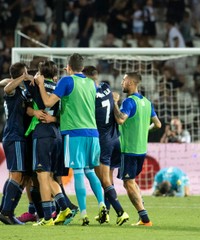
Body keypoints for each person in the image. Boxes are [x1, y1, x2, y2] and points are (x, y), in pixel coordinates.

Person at [34, 53, 106, 226]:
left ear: (69, 67)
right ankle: (102, 204)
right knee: (90, 170)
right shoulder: (91, 83)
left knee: (79, 172)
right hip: (93, 133)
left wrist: (41, 85)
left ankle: (83, 214)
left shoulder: (67, 81)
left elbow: (48, 102)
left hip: (75, 133)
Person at [25, 60, 74, 226]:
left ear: (40, 72)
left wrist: (32, 78)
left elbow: (16, 95)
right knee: (51, 176)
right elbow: (67, 113)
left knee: (42, 175)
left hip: (43, 133)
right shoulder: (60, 88)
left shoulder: (35, 85)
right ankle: (64, 207)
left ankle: (47, 218)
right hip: (57, 134)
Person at [113, 71, 161, 226]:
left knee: (128, 183)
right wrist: (143, 130)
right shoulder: (147, 102)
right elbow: (158, 124)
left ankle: (145, 218)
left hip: (129, 150)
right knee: (130, 182)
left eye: (124, 80)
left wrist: (114, 103)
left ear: (132, 83)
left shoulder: (129, 102)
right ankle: (142, 214)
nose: (122, 83)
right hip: (141, 150)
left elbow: (120, 120)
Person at [82, 66, 129, 226]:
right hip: (115, 138)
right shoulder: (106, 88)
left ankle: (121, 212)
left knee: (104, 181)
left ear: (86, 78)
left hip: (102, 142)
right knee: (108, 178)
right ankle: (106, 214)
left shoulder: (88, 95)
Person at [0, 63, 31, 225]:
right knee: (17, 174)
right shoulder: (12, 90)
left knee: (21, 176)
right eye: (25, 72)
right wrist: (23, 77)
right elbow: (6, 88)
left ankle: (5, 209)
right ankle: (7, 212)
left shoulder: (19, 89)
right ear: (21, 74)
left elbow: (4, 82)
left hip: (19, 137)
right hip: (14, 136)